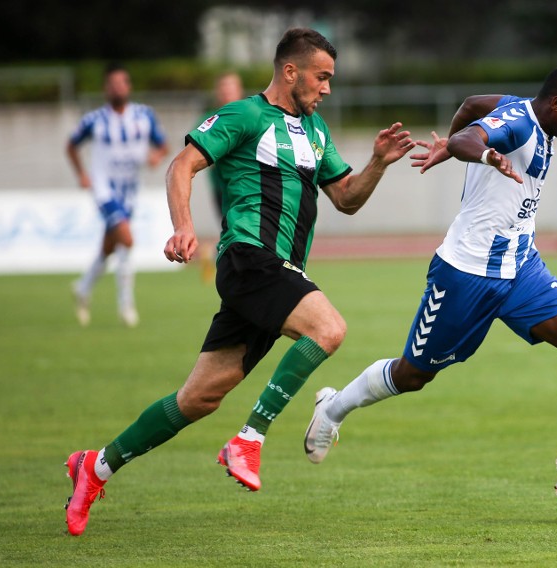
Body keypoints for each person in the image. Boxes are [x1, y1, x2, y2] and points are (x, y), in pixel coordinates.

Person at [63, 28, 416, 536]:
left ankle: (95, 467)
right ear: (290, 71)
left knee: (199, 398)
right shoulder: (245, 115)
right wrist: (184, 226)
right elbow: (181, 165)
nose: (328, 89)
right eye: (322, 77)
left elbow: (347, 198)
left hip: (277, 275)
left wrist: (379, 162)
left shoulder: (316, 131)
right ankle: (250, 437)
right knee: (328, 329)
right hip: (249, 258)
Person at [304, 64, 557, 507]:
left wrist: (448, 146)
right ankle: (332, 409)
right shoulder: (519, 123)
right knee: (413, 375)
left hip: (520, 265)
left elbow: (469, 107)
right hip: (466, 271)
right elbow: (472, 137)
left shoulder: (519, 109)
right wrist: (476, 152)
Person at [66, 62, 169, 327]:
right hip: (104, 189)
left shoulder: (144, 116)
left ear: (128, 86)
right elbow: (71, 145)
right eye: (112, 84)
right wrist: (82, 174)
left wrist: (156, 157)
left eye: (121, 83)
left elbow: (164, 145)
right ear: (105, 89)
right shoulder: (94, 120)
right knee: (127, 238)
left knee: (111, 246)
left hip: (131, 191)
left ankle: (83, 288)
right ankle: (126, 304)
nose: (117, 88)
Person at [197, 71, 245, 282]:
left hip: (249, 186)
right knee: (235, 229)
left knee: (239, 232)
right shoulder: (210, 120)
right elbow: (195, 152)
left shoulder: (250, 116)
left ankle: (218, 256)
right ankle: (226, 265)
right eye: (223, 88)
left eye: (231, 88)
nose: (227, 93)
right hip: (224, 189)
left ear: (239, 91)